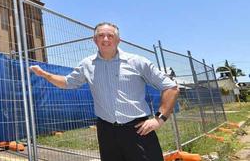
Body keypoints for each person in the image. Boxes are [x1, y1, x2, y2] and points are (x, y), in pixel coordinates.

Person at [29, 22, 179, 161]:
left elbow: (171, 87)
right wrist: (45, 74)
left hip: (138, 130)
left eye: (110, 35)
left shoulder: (137, 62)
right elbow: (67, 82)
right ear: (95, 40)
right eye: (100, 35)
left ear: (118, 40)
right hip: (107, 132)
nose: (105, 39)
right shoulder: (87, 64)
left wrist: (159, 119)